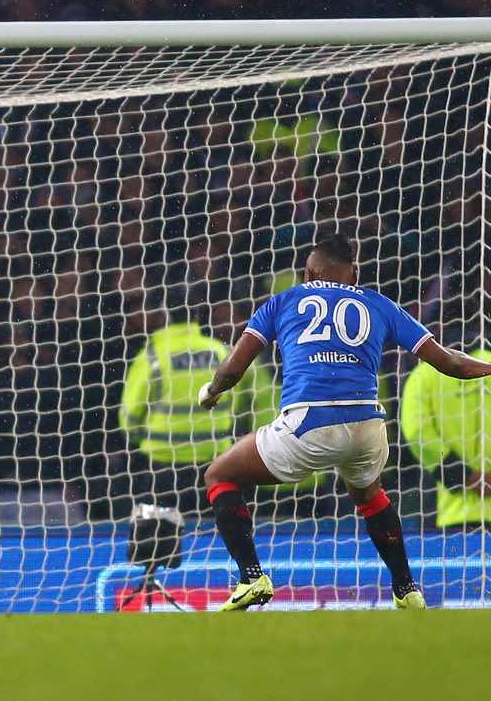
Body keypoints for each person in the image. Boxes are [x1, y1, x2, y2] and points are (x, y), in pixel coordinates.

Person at [198, 234, 491, 611]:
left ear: (307, 272)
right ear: (354, 277)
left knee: (218, 476)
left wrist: (211, 391)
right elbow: (449, 362)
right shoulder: (380, 304)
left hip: (309, 424)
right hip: (368, 426)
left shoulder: (283, 301)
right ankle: (407, 589)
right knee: (368, 494)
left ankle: (251, 577)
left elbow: (234, 369)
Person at [119, 288, 277, 516]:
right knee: (213, 530)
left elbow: (129, 415)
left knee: (162, 529)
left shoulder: (152, 354)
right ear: (195, 316)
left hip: (164, 462)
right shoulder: (219, 350)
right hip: (214, 460)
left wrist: (137, 436)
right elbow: (241, 399)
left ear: (164, 317)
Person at [399, 339, 491, 529]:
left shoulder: (424, 375)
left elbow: (416, 431)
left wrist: (462, 476)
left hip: (450, 510)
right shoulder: (488, 364)